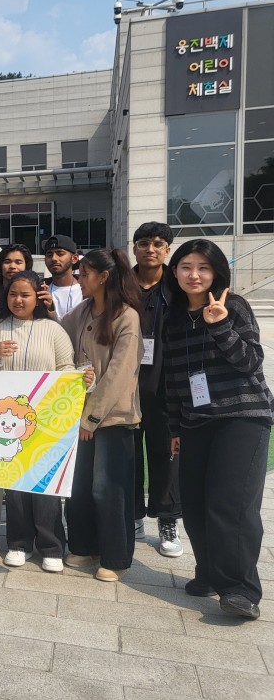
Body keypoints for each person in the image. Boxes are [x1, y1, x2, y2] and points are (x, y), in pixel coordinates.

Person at [163, 239, 271, 620]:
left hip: (242, 417)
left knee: (230, 503)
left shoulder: (233, 306)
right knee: (194, 504)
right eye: (186, 267)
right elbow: (174, 379)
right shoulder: (174, 318)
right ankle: (208, 572)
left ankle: (241, 589)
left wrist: (221, 324)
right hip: (195, 421)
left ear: (216, 272)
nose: (194, 275)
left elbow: (251, 363)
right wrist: (175, 428)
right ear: (174, 272)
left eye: (203, 267)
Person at [0, 271, 76, 572]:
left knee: (45, 485)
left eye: (25, 295)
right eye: (13, 294)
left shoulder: (53, 330)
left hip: (46, 419)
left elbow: (66, 368)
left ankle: (51, 546)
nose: (18, 300)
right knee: (15, 484)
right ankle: (18, 543)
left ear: (37, 298)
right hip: (6, 423)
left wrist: (82, 379)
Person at [61, 248, 143, 583]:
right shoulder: (81, 311)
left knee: (108, 489)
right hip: (78, 414)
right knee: (79, 486)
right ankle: (83, 546)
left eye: (84, 274)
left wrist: (91, 418)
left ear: (103, 276)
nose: (79, 279)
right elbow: (58, 338)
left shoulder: (127, 316)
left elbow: (120, 374)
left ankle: (114, 557)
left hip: (113, 418)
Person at [131, 222, 181, 556]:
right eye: (144, 242)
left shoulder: (176, 286)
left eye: (159, 243)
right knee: (129, 456)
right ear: (134, 248)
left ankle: (168, 519)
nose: (151, 249)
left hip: (167, 386)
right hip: (127, 385)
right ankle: (133, 515)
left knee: (167, 455)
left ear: (167, 250)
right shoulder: (121, 284)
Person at [42, 235, 83, 318]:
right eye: (49, 255)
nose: (54, 258)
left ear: (74, 258)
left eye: (60, 254)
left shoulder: (88, 290)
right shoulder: (39, 289)